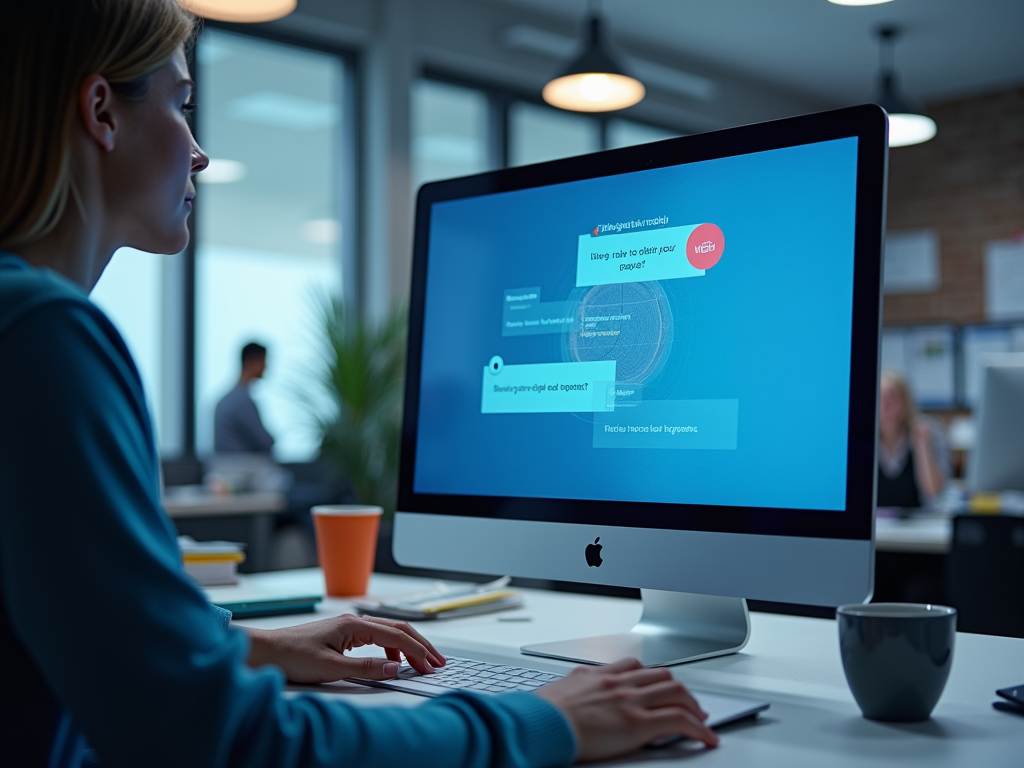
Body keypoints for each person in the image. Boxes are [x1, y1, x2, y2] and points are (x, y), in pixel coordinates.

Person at [0, 2, 717, 767]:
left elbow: (99, 650)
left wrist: (243, 648)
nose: (200, 153)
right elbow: (222, 741)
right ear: (102, 111)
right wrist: (542, 723)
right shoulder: (43, 337)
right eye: (180, 104)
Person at [877, 370, 951, 508]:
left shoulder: (927, 431)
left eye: (892, 398)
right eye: (879, 398)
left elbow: (933, 492)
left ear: (906, 402)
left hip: (917, 523)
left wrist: (922, 446)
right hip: (877, 523)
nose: (885, 406)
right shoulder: (860, 438)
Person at [214, 342, 275, 454]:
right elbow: (265, 442)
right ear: (251, 361)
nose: (266, 367)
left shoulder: (226, 400)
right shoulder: (241, 401)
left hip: (228, 465)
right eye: (263, 361)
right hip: (242, 466)